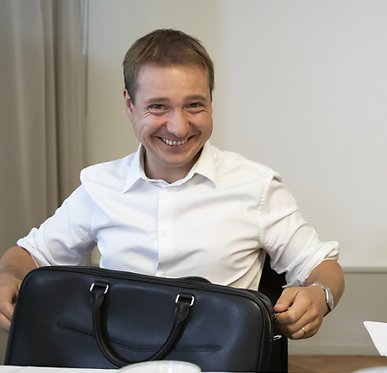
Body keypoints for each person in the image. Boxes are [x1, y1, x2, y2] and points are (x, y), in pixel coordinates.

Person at [0, 29, 344, 340]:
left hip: (222, 368)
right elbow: (29, 255)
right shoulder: (99, 187)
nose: (178, 128)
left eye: (194, 105)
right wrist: (7, 278)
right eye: (158, 107)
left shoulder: (257, 186)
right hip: (116, 367)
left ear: (211, 102)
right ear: (130, 105)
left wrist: (319, 295)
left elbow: (321, 267)